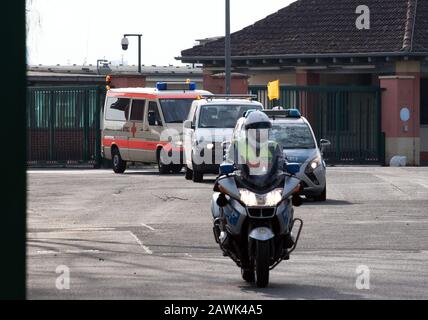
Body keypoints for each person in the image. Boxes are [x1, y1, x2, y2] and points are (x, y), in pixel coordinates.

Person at [225, 111, 285, 187]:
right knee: (222, 194)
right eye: (257, 131)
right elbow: (228, 162)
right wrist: (226, 167)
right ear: (248, 131)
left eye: (264, 130)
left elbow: (281, 164)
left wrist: (287, 166)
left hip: (269, 184)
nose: (261, 133)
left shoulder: (273, 146)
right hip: (242, 184)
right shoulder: (237, 145)